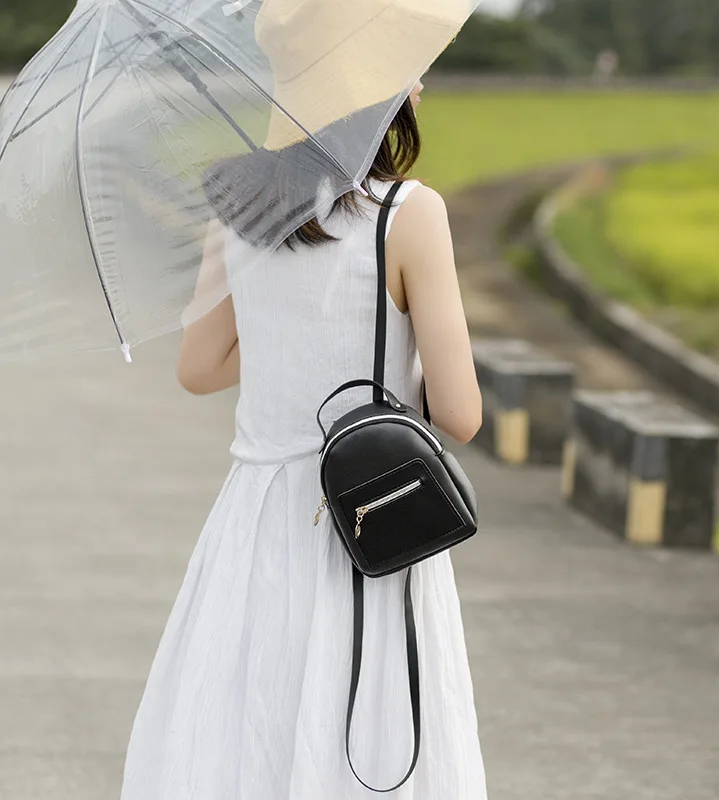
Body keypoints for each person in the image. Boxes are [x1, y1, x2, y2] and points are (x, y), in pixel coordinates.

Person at [119, 78, 487, 799]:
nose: (421, 85)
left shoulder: (238, 209)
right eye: (409, 71)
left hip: (257, 515)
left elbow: (199, 368)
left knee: (243, 721)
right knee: (367, 721)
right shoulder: (409, 214)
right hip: (370, 514)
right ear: (377, 89)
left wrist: (288, 328)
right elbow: (461, 413)